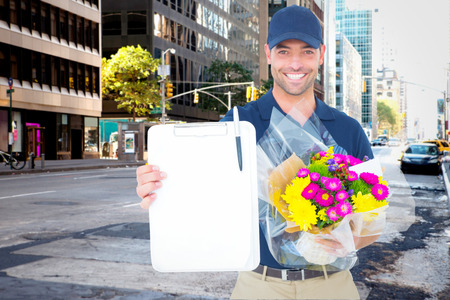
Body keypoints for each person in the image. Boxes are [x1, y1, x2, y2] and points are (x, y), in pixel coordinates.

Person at [137, 5, 374, 299]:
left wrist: (345, 238)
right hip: (259, 285)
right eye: (284, 51)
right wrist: (161, 192)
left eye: (307, 52)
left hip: (332, 285)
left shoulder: (348, 130)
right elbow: (204, 192)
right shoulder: (238, 124)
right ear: (268, 54)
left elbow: (373, 218)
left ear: (322, 54)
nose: (295, 63)